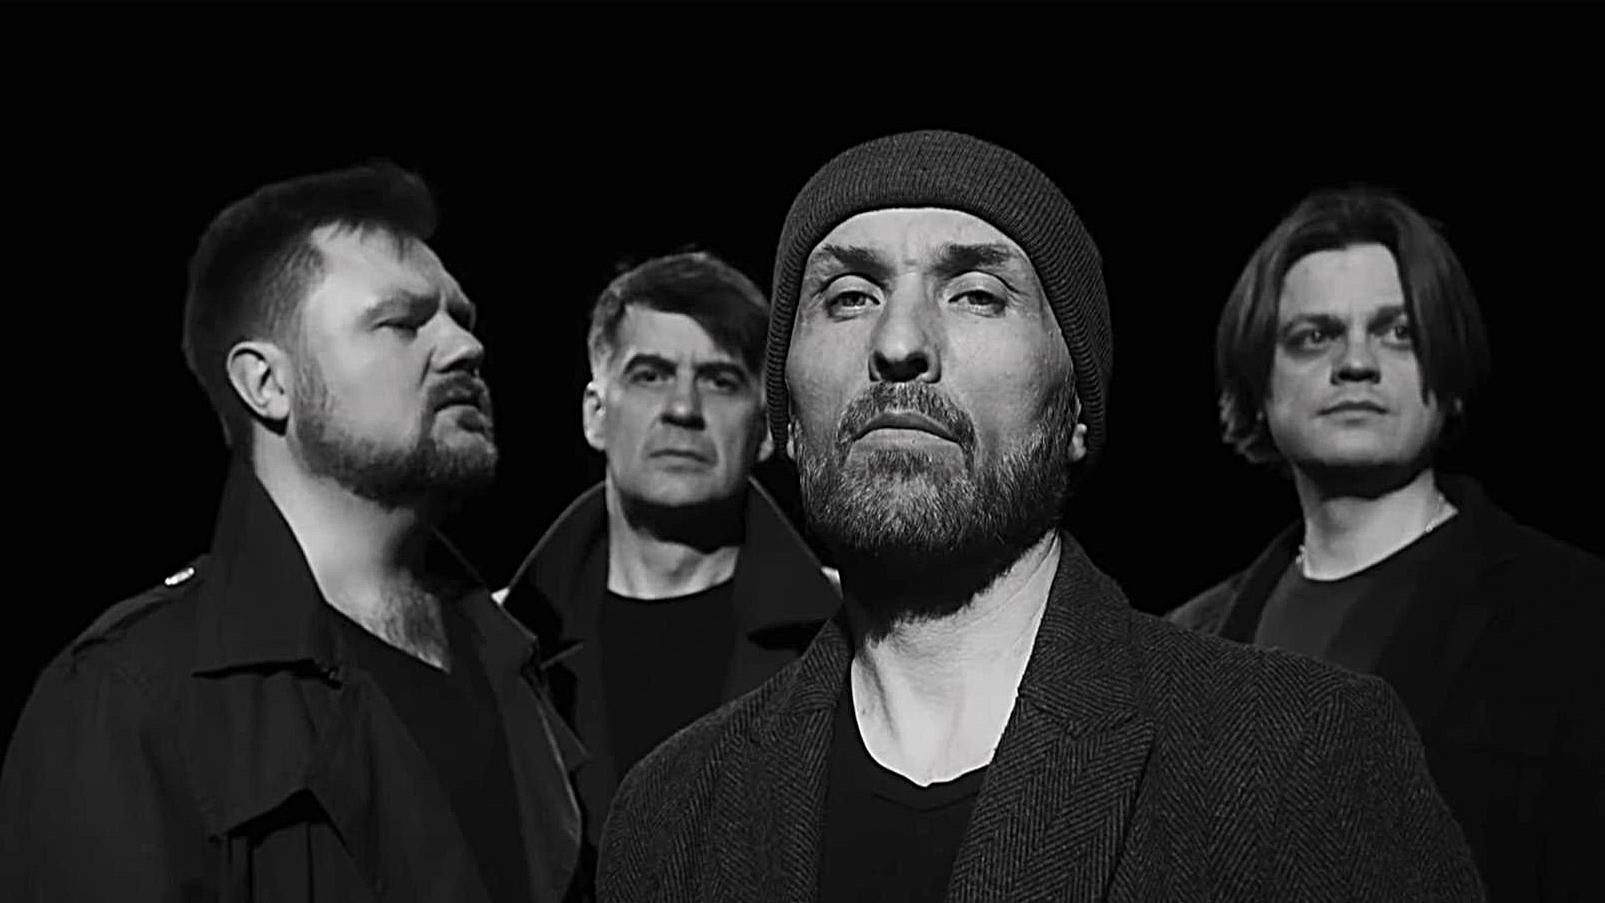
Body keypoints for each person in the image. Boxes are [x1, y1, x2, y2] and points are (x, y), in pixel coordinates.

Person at [594, 130, 1484, 902]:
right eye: (849, 296)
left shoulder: (1304, 759)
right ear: (784, 413)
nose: (898, 343)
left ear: (1077, 407)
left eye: (976, 293)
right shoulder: (671, 813)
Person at [0, 163, 586, 901]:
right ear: (267, 384)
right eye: (402, 323)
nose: (464, 348)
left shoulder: (520, 661)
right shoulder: (129, 700)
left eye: (461, 320)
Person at [1167, 187, 1605, 901]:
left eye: (1398, 332)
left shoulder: (1572, 615)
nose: (1356, 363)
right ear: (1258, 386)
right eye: (1314, 336)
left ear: (1448, 369)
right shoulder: (1187, 642)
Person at [497, 251, 840, 878]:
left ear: (767, 430)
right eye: (651, 375)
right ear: (596, 414)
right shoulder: (497, 643)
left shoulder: (853, 638)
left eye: (720, 380)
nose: (683, 407)